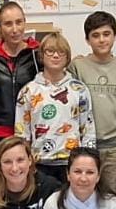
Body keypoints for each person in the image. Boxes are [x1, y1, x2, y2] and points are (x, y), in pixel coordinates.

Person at [68, 11, 116, 196]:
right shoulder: (77, 67)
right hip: (84, 145)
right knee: (82, 194)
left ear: (114, 36)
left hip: (114, 147)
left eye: (106, 34)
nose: (101, 40)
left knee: (109, 196)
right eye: (95, 35)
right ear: (87, 39)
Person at [14, 33, 96, 183]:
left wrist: (87, 160)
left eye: (61, 52)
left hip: (71, 163)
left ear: (67, 57)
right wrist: (25, 162)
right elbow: (22, 134)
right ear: (41, 55)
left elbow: (88, 129)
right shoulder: (28, 91)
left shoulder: (79, 90)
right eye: (50, 51)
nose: (56, 56)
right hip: (40, 163)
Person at [0, 1, 41, 153]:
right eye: (8, 24)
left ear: (25, 23)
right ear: (0, 27)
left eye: (19, 22)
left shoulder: (37, 53)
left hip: (31, 131)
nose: (15, 29)